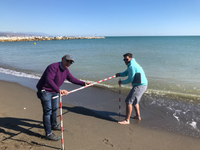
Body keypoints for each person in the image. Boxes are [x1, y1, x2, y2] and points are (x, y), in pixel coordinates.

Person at [36, 54, 90, 140]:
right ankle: (48, 134)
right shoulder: (53, 67)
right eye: (67, 61)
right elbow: (49, 80)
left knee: (54, 109)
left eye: (71, 62)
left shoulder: (66, 70)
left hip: (55, 91)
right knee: (48, 111)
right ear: (62, 59)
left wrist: (83, 83)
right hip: (45, 91)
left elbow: (72, 79)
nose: (68, 63)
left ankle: (54, 125)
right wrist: (59, 90)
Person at [116, 53, 147, 125]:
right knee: (135, 102)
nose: (125, 61)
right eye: (124, 59)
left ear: (130, 58)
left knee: (128, 101)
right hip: (142, 85)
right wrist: (120, 74)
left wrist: (122, 82)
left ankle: (127, 120)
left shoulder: (132, 66)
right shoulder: (132, 64)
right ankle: (138, 116)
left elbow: (130, 79)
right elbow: (127, 73)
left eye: (126, 59)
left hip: (139, 86)